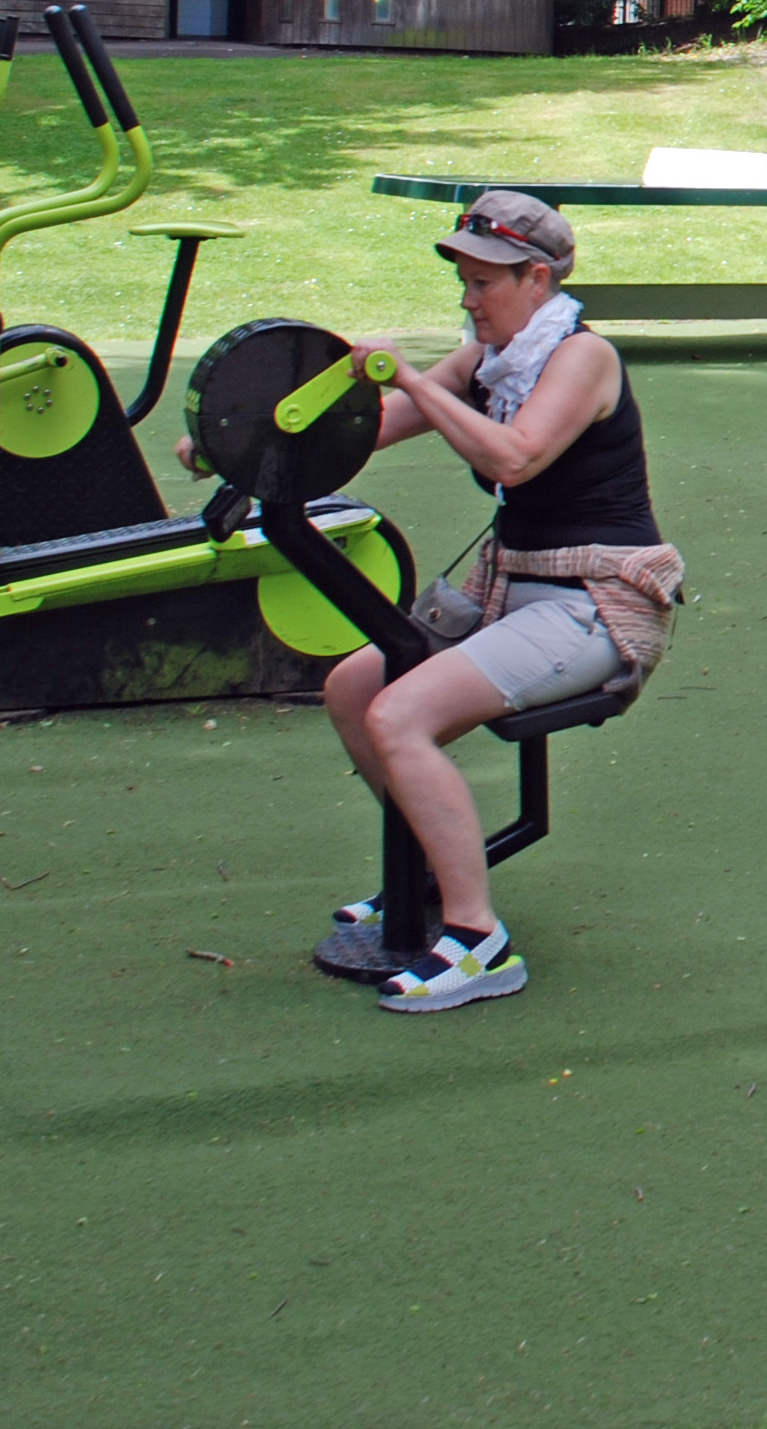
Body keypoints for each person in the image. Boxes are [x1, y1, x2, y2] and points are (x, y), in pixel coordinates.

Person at [319, 192, 683, 1011]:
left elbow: (515, 458)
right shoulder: (485, 359)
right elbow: (368, 429)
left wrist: (415, 377)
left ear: (537, 279)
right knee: (353, 688)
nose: (469, 299)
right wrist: (244, 442)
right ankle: (420, 876)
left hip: (593, 604)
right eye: (464, 281)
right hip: (510, 589)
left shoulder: (583, 357)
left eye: (484, 282)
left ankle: (479, 941)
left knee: (399, 716)